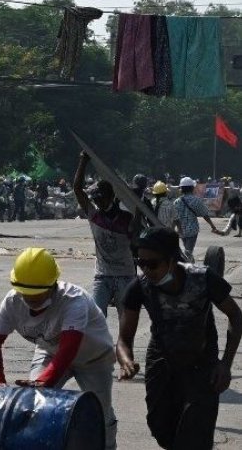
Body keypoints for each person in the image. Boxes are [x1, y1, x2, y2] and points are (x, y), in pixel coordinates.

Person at [117, 227, 242, 450]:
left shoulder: (203, 279)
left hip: (201, 361)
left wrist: (225, 364)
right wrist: (126, 361)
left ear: (172, 261)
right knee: (161, 427)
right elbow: (124, 339)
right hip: (162, 358)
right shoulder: (139, 287)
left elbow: (235, 315)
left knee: (196, 430)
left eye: (152, 264)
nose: (145, 270)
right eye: (140, 263)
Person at [0, 248, 118, 449]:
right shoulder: (12, 301)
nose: (30, 300)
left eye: (37, 295)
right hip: (49, 351)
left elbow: (68, 349)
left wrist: (43, 382)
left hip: (93, 357)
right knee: (35, 404)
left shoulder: (74, 300)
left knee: (99, 413)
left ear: (53, 285)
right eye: (25, 294)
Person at [74, 152, 138, 318]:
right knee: (95, 318)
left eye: (101, 199)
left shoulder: (127, 218)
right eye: (95, 200)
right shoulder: (94, 215)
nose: (98, 202)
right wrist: (83, 162)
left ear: (111, 197)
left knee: (126, 318)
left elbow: (137, 241)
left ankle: (124, 345)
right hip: (102, 276)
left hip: (126, 275)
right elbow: (77, 189)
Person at [173, 176, 219, 263]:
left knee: (187, 250)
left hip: (181, 231)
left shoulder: (176, 201)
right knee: (188, 251)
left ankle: (190, 263)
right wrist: (212, 226)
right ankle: (189, 268)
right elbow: (205, 214)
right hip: (192, 230)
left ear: (181, 188)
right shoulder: (196, 200)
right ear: (192, 188)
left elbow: (174, 218)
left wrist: (173, 229)